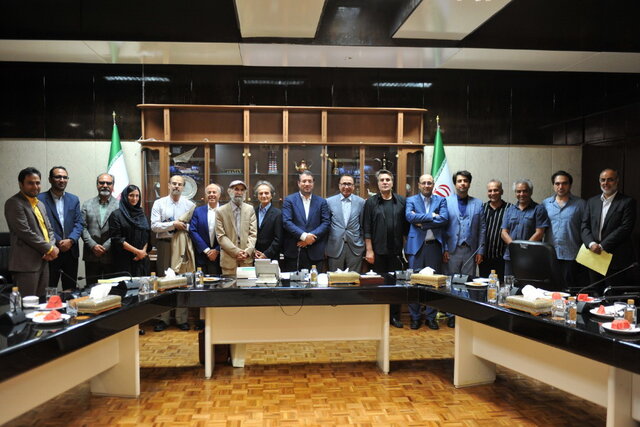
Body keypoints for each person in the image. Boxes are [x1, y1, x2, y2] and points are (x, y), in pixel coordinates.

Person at [363, 169, 408, 328]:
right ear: (378, 183)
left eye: (388, 179)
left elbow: (407, 227)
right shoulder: (371, 202)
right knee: (379, 284)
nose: (385, 182)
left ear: (392, 182)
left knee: (395, 285)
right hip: (378, 252)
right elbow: (367, 228)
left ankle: (394, 316)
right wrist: (369, 250)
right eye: (382, 180)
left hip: (396, 252)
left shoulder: (401, 201)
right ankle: (379, 316)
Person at [4, 167, 59, 296]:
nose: (35, 186)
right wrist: (50, 249)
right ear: (21, 184)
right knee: (27, 303)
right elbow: (25, 232)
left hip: (44, 261)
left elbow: (49, 229)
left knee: (41, 302)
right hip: (26, 265)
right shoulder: (14, 203)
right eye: (30, 183)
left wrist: (51, 246)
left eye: (37, 183)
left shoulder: (40, 204)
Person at [150, 175, 195, 331]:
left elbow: (193, 227)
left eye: (179, 184)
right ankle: (164, 318)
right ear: (169, 185)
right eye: (174, 183)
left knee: (182, 280)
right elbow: (154, 226)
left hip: (182, 245)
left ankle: (181, 319)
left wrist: (184, 227)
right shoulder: (159, 203)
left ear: (183, 187)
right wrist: (173, 224)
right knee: (164, 281)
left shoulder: (190, 205)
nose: (176, 186)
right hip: (165, 245)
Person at [581, 168, 637, 290]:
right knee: (595, 293)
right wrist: (591, 244)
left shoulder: (627, 202)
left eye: (610, 180)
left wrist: (602, 246)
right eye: (603, 180)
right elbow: (585, 226)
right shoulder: (592, 201)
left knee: (613, 295)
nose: (605, 183)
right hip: (593, 257)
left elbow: (625, 228)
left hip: (616, 258)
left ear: (617, 181)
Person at [405, 174, 449, 330]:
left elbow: (444, 219)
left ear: (433, 184)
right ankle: (415, 317)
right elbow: (409, 217)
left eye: (429, 183)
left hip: (434, 246)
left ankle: (431, 317)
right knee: (414, 282)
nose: (426, 185)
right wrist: (431, 216)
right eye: (423, 183)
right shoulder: (411, 200)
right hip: (416, 246)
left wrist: (422, 223)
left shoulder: (441, 200)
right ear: (418, 185)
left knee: (434, 283)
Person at [37, 166, 84, 290]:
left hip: (71, 251)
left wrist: (71, 240)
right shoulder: (40, 199)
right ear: (50, 179)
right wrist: (59, 241)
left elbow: (79, 223)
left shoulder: (73, 199)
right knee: (49, 289)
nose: (62, 180)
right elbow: (42, 225)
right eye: (58, 177)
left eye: (64, 177)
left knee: (70, 290)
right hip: (51, 250)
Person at [542, 171, 587, 287]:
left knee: (568, 289)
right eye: (557, 183)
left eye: (564, 183)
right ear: (553, 185)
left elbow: (586, 228)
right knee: (550, 289)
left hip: (572, 255)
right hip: (550, 255)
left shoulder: (581, 204)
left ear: (570, 185)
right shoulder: (546, 204)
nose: (560, 187)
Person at [282, 171, 330, 272]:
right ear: (298, 183)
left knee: (315, 280)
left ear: (313, 183)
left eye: (310, 181)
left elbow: (326, 223)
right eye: (304, 181)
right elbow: (286, 222)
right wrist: (304, 236)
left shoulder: (322, 202)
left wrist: (310, 238)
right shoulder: (289, 200)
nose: (307, 184)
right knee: (293, 281)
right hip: (294, 251)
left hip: (315, 251)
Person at [501, 179, 550, 275]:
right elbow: (504, 233)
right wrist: (515, 247)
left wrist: (524, 248)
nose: (521, 194)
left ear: (531, 192)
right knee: (509, 282)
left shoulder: (539, 209)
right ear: (515, 193)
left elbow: (540, 232)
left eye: (525, 191)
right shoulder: (509, 210)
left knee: (528, 283)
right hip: (511, 255)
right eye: (518, 191)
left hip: (531, 256)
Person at [81, 173, 119, 285]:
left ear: (113, 186)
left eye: (108, 183)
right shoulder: (87, 204)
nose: (105, 185)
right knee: (91, 288)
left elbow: (119, 230)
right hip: (91, 254)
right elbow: (82, 227)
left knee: (111, 289)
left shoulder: (120, 205)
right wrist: (93, 245)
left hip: (111, 255)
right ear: (97, 185)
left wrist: (106, 246)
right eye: (102, 183)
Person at [215, 180, 257, 275]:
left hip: (246, 260)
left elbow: (253, 234)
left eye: (242, 190)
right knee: (230, 285)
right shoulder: (220, 211)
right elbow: (221, 236)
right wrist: (236, 252)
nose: (239, 192)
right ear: (229, 191)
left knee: (247, 284)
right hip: (229, 261)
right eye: (236, 189)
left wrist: (247, 252)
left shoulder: (250, 209)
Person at [325, 174, 365, 272]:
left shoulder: (361, 202)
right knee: (335, 278)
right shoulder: (329, 202)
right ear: (339, 186)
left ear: (353, 186)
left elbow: (363, 225)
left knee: (354, 278)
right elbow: (326, 225)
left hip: (355, 247)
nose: (346, 187)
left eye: (349, 184)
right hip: (335, 246)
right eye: (344, 184)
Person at [108, 185, 151, 278]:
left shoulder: (142, 214)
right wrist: (137, 252)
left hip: (141, 260)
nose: (134, 198)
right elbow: (117, 239)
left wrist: (142, 252)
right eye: (131, 195)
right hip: (124, 260)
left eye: (137, 196)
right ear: (125, 196)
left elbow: (147, 234)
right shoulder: (116, 215)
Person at [479, 180, 512, 279]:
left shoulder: (510, 208)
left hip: (502, 257)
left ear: (502, 191)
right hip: (484, 257)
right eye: (490, 191)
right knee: (484, 284)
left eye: (496, 190)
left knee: (501, 285)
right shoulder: (482, 208)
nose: (492, 193)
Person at [189, 183, 222, 275]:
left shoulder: (225, 210)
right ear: (206, 195)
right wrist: (207, 250)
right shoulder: (198, 211)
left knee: (220, 282)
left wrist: (217, 250)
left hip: (221, 255)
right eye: (209, 192)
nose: (211, 194)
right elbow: (193, 230)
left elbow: (230, 233)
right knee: (202, 281)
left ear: (219, 195)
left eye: (214, 192)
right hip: (202, 255)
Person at [253, 180, 282, 261]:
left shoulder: (278, 214)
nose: (263, 195)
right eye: (260, 193)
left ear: (271, 195)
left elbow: (278, 239)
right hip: (254, 255)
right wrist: (253, 250)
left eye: (266, 193)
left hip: (271, 256)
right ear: (257, 196)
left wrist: (266, 254)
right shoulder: (252, 212)